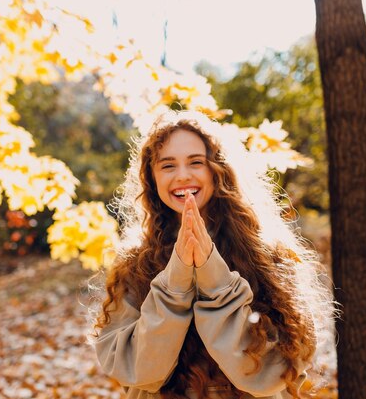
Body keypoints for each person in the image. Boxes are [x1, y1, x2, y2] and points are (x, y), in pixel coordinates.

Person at [92, 110, 335, 399]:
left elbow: (274, 371)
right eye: (167, 165)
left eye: (196, 162)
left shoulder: (269, 253)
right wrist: (177, 278)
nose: (183, 176)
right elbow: (139, 370)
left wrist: (213, 274)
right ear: (152, 178)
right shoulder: (134, 264)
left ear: (218, 169)